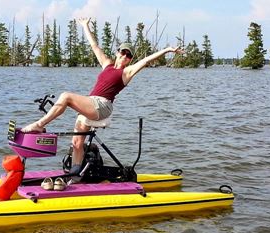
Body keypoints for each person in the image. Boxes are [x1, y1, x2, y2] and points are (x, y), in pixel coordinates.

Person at [22, 17, 183, 173]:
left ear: (130, 59)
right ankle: (75, 175)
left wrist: (167, 50)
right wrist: (85, 25)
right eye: (123, 52)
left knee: (66, 96)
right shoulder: (107, 64)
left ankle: (39, 125)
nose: (125, 56)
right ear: (117, 52)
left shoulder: (126, 72)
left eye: (129, 55)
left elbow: (146, 61)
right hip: (91, 103)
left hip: (102, 106)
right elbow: (94, 46)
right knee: (77, 142)